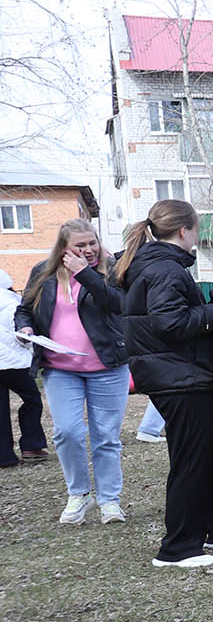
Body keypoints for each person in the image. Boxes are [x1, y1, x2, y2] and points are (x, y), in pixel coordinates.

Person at [118, 200, 213, 567]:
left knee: (207, 459)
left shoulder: (150, 264)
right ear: (185, 231)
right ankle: (177, 548)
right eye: (197, 229)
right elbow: (168, 323)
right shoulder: (167, 270)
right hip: (178, 377)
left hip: (171, 374)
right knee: (192, 462)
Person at [15, 220, 128, 520]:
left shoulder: (112, 269)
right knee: (67, 432)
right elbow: (24, 307)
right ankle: (79, 494)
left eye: (92, 243)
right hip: (60, 368)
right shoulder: (44, 272)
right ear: (64, 248)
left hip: (107, 366)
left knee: (106, 436)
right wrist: (24, 327)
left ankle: (109, 499)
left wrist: (85, 274)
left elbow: (117, 304)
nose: (88, 249)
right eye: (80, 245)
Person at [0, 272, 49, 471]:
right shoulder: (12, 302)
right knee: (32, 400)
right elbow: (21, 333)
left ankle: (4, 456)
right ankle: (32, 445)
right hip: (14, 363)